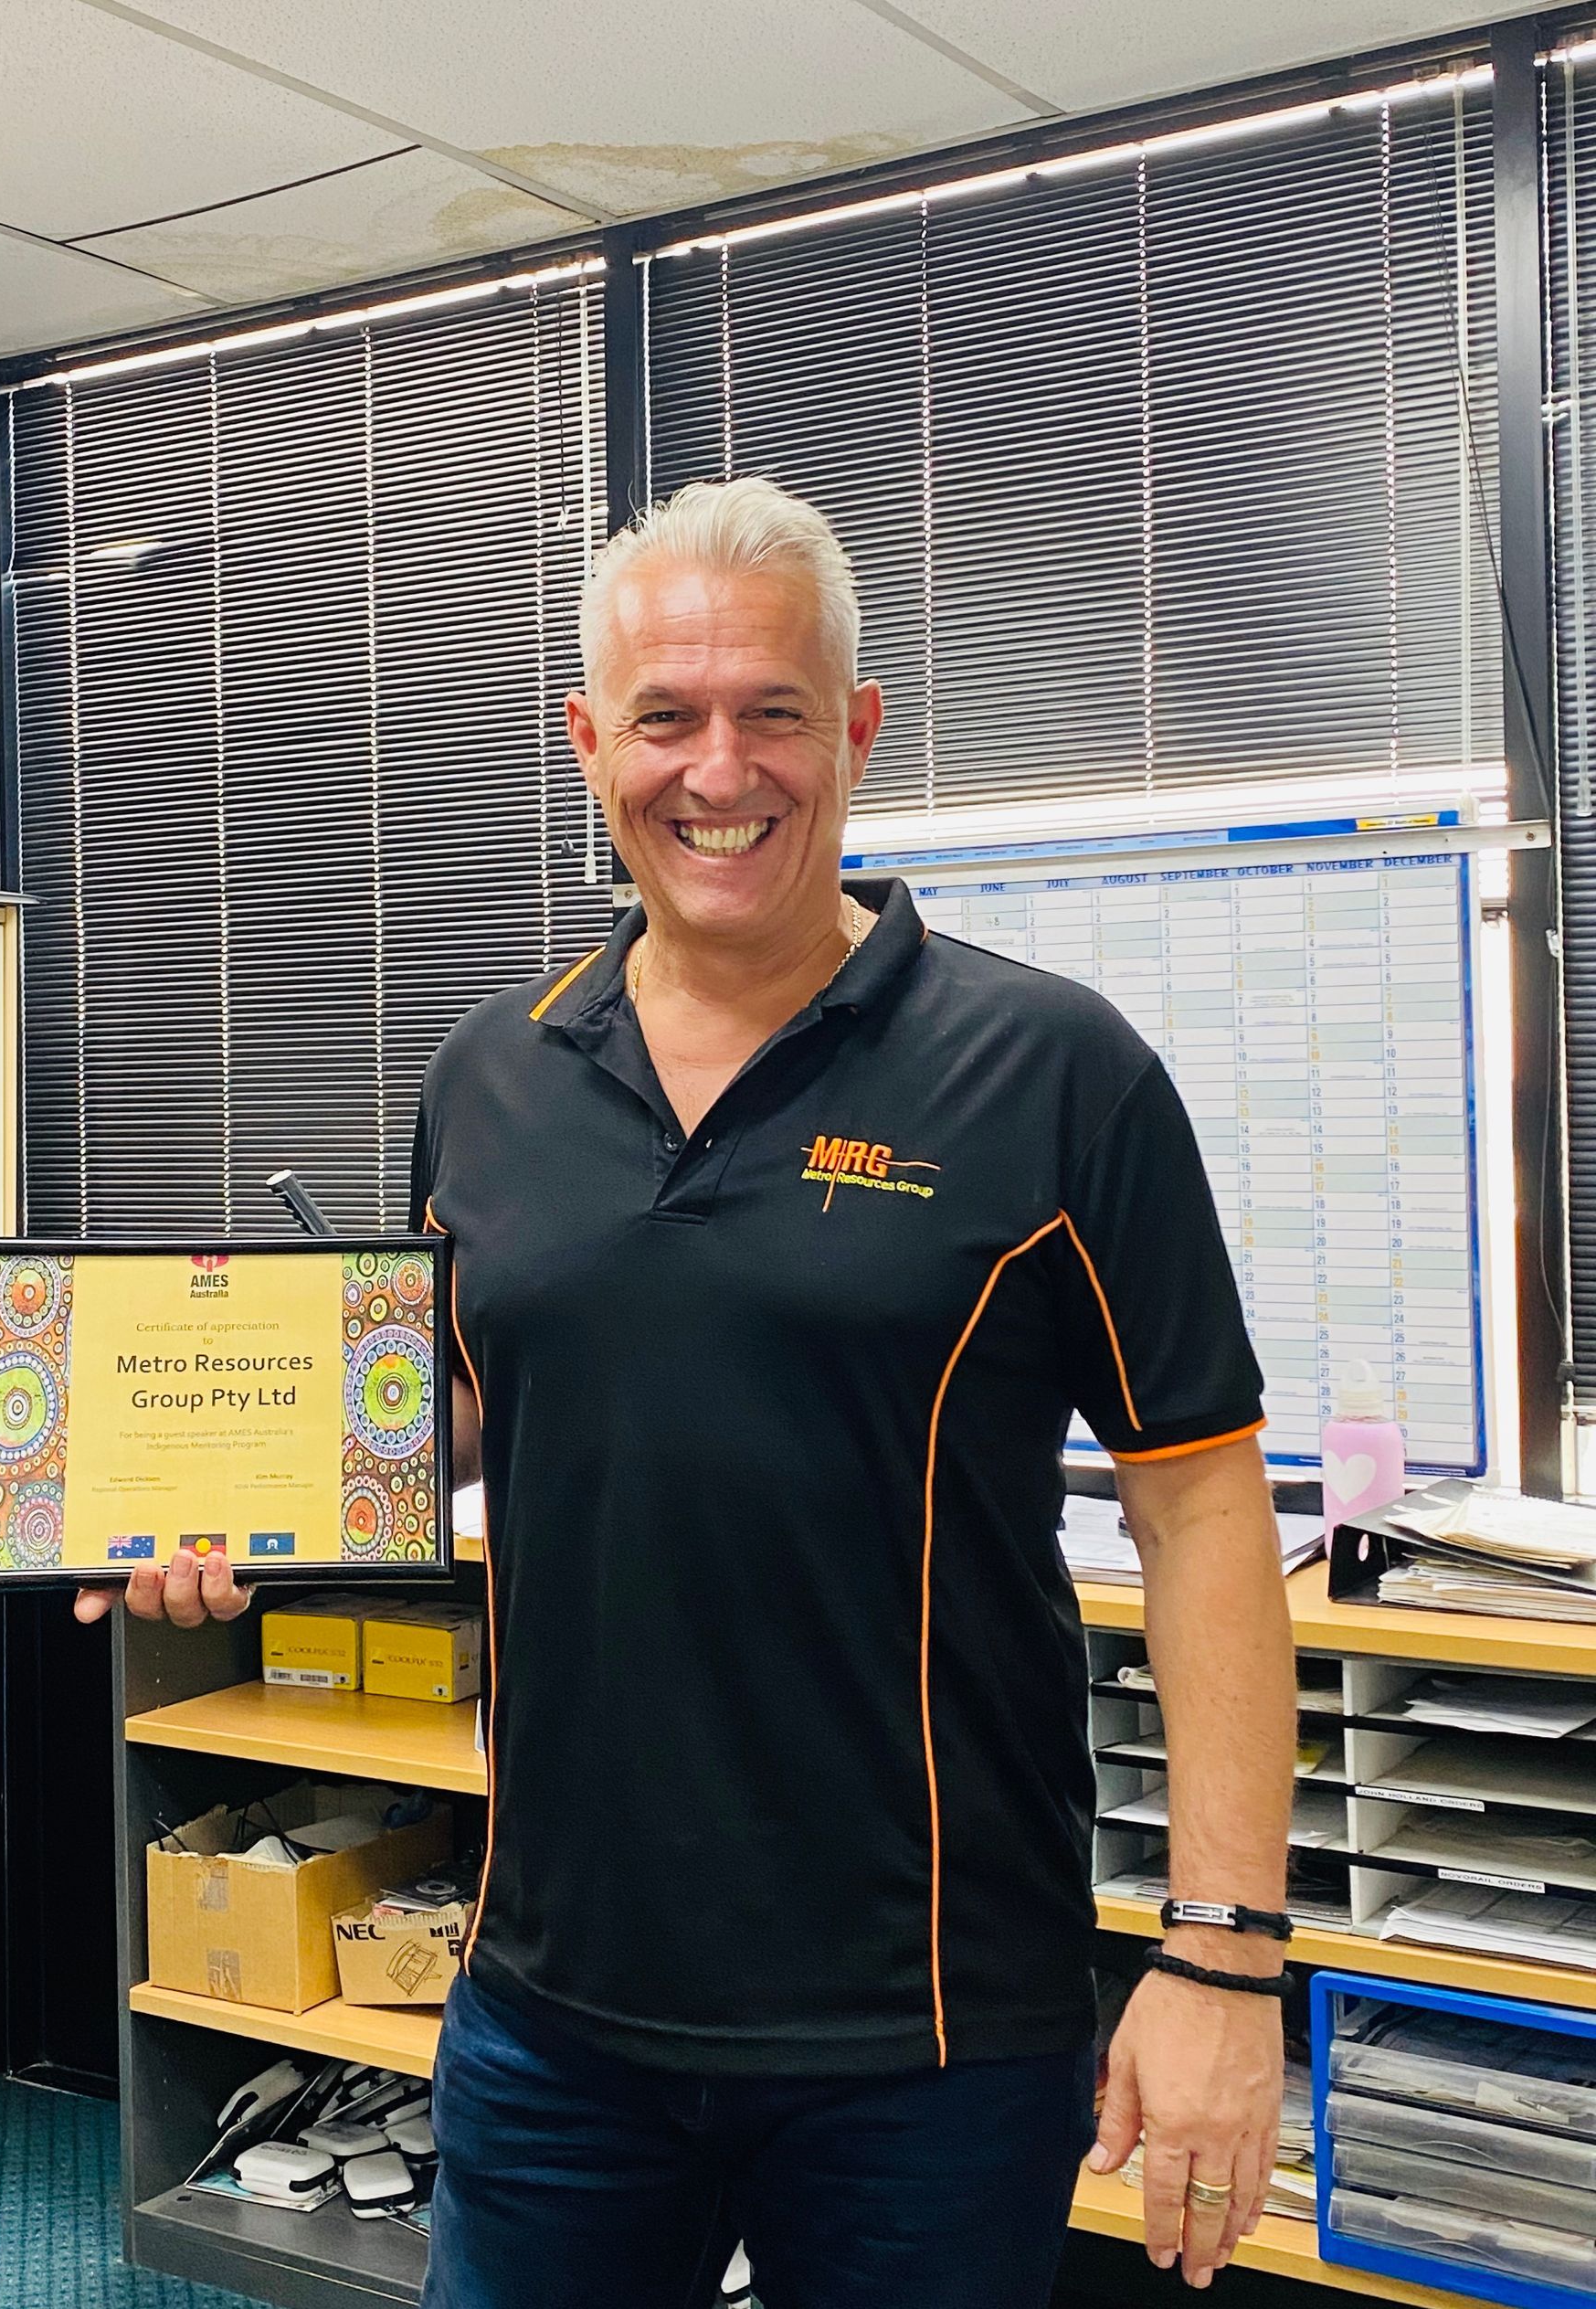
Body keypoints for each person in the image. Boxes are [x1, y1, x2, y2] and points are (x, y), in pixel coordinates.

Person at [81, 477, 1296, 2309]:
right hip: (554, 2007)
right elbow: (480, 1402)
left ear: (857, 730)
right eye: (666, 717)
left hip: (931, 2028)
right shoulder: (490, 1076)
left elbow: (1200, 1504)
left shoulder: (1056, 1070)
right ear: (589, 744)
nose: (718, 769)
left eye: (771, 711)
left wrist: (1224, 1958)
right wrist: (237, 1500)